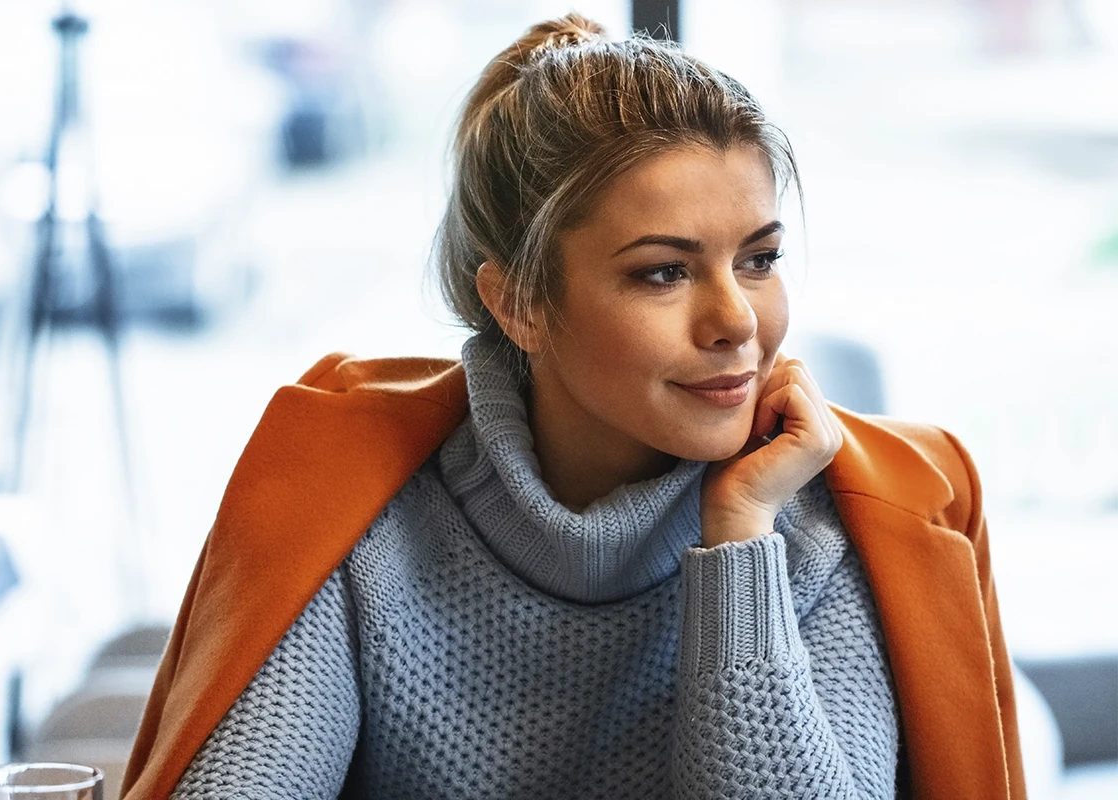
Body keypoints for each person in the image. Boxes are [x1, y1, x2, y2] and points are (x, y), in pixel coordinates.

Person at [121, 14, 1025, 800]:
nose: (738, 320)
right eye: (663, 272)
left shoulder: (826, 534)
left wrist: (742, 540)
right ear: (518, 303)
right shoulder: (362, 524)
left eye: (759, 258)